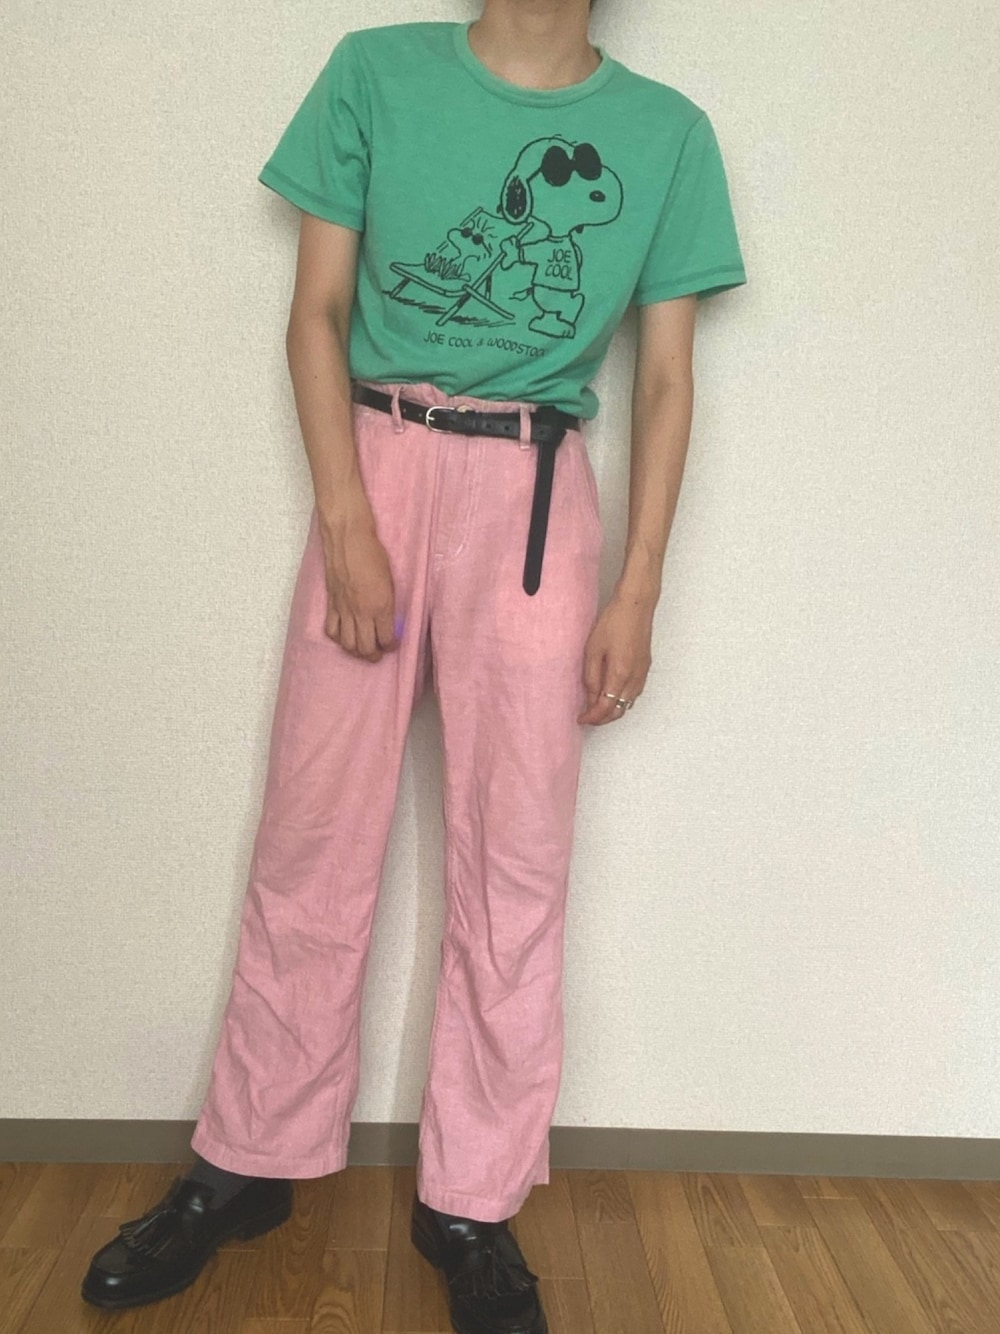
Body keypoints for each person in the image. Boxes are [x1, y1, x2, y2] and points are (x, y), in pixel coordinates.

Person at [81, 2, 747, 1331]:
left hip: (538, 503)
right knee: (312, 837)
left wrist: (640, 587)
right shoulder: (375, 72)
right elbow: (317, 312)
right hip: (375, 469)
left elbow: (668, 379)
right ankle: (246, 1159)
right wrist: (345, 520)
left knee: (517, 863)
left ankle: (472, 1199)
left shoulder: (668, 135)